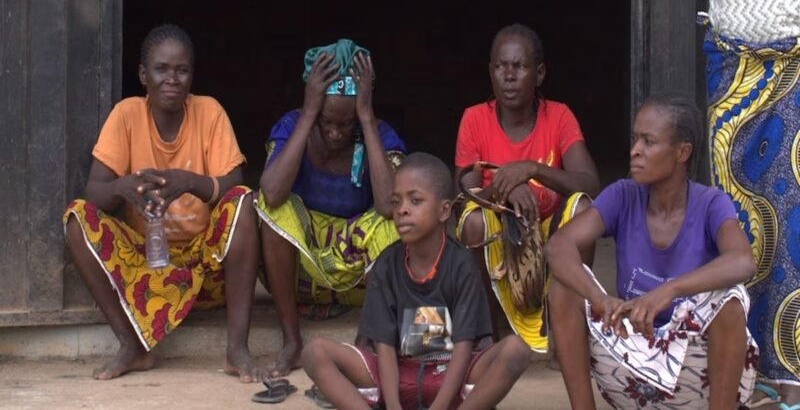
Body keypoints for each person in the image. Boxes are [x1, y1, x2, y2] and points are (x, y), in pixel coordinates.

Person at [62, 24, 265, 382]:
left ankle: (237, 349)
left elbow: (235, 183)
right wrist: (121, 187)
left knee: (244, 203)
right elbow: (94, 192)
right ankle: (132, 347)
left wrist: (189, 182)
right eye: (161, 69)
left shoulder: (209, 112)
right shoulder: (126, 115)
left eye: (181, 70)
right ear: (143, 75)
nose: (172, 79)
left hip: (206, 272)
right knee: (77, 219)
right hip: (144, 269)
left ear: (191, 76)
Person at [545, 93, 758, 409]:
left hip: (695, 377)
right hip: (629, 368)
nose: (635, 150)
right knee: (565, 286)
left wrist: (668, 291)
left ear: (682, 152)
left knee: (731, 301)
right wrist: (599, 298)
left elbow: (742, 261)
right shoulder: (623, 195)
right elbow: (558, 246)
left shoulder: (710, 203)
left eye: (649, 142)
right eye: (635, 139)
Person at [302, 152, 530, 410]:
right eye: (396, 201)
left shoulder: (461, 264)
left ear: (444, 210)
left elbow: (464, 346)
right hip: (398, 374)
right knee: (315, 352)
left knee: (516, 349)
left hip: (452, 375)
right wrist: (394, 405)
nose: (402, 210)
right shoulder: (387, 264)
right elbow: (384, 344)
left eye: (415, 200)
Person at [257, 39, 406, 378]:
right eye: (327, 122)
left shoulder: (379, 134)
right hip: (301, 273)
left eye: (346, 124)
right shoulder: (293, 125)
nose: (336, 133)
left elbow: (388, 205)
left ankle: (362, 346)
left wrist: (366, 119)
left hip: (358, 280)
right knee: (268, 206)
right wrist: (308, 115)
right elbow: (273, 193)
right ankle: (292, 341)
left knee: (396, 222)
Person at [455, 23, 600, 352]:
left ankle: (565, 325)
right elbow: (463, 200)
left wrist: (533, 170)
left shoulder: (559, 116)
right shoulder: (475, 119)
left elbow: (589, 182)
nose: (508, 76)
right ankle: (486, 334)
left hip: (550, 242)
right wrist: (504, 189)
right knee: (473, 221)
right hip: (500, 244)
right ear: (490, 72)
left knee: (584, 210)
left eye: (519, 66)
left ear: (540, 73)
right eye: (500, 66)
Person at [702, 0, 800, 407]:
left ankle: (791, 373)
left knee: (791, 217)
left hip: (792, 67)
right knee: (736, 216)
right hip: (731, 66)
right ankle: (748, 365)